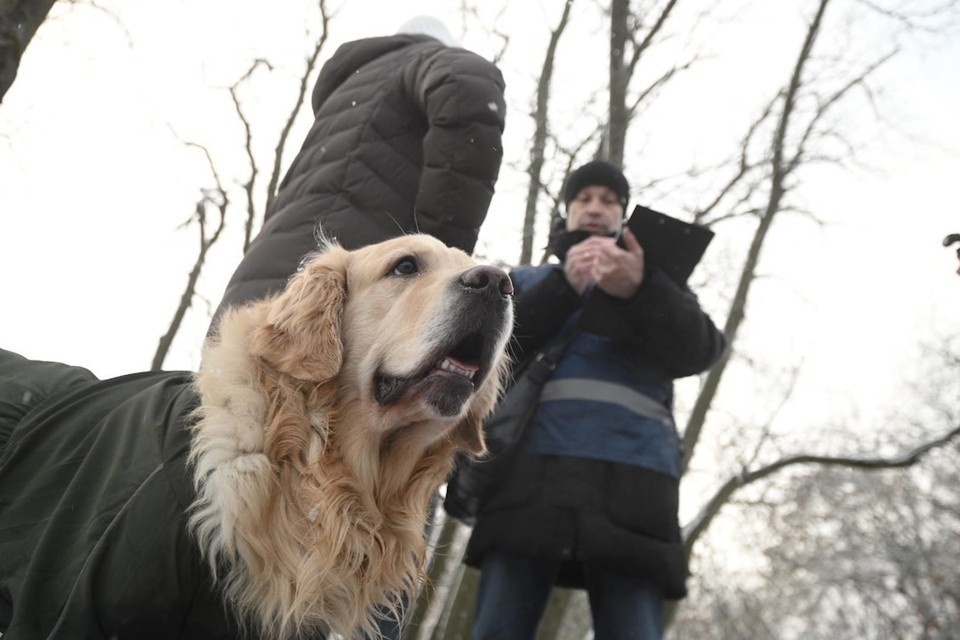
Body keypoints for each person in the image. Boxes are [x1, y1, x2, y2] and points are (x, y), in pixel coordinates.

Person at [462, 160, 727, 639]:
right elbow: (487, 355)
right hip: (528, 480)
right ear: (567, 213)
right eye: (583, 199)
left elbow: (703, 351)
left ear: (623, 215)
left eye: (608, 200)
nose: (595, 207)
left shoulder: (662, 287)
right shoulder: (525, 281)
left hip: (635, 486)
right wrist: (563, 288)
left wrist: (642, 290)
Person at [209, 15, 506, 328]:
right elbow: (467, 89)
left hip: (254, 284)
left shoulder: (345, 101)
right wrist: (438, 258)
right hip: (350, 279)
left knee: (244, 355)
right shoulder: (435, 59)